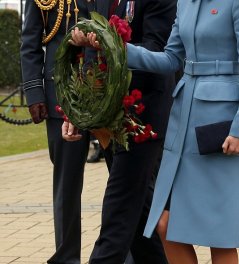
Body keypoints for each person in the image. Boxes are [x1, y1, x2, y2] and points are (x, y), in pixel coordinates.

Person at [85, 0, 239, 262]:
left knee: (220, 236)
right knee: (166, 226)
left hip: (222, 126)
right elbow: (169, 59)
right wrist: (118, 49)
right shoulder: (185, 3)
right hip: (184, 119)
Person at [63, 0, 177, 263]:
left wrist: (108, 44)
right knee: (138, 218)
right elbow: (89, 59)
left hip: (143, 115)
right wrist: (79, 111)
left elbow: (158, 51)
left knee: (119, 209)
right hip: (110, 118)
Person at [20, 1, 95, 263]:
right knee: (67, 183)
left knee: (124, 178)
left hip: (107, 85)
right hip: (60, 93)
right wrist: (34, 92)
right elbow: (30, 42)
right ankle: (66, 257)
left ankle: (128, 253)